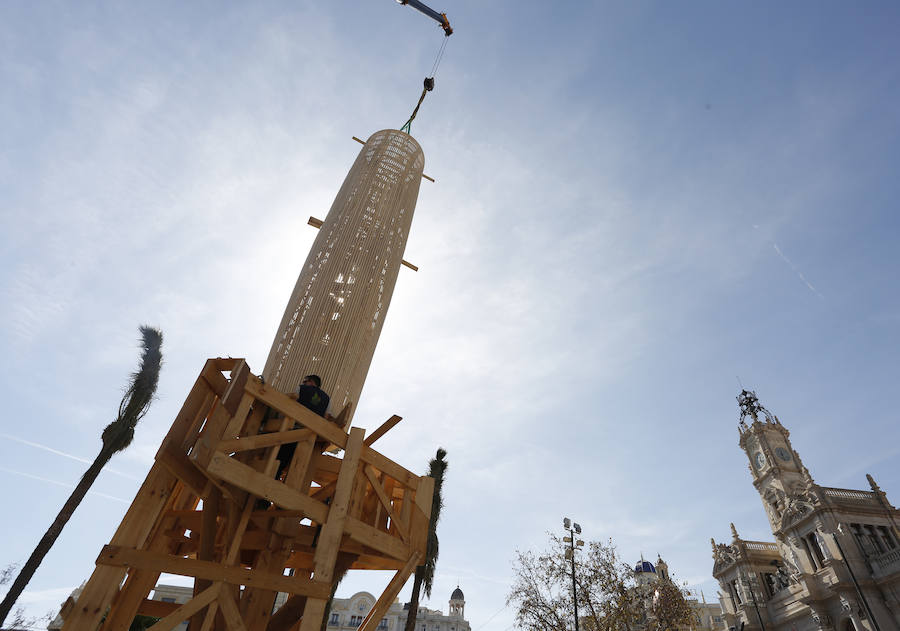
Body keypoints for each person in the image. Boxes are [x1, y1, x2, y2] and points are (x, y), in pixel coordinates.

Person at [273, 375, 330, 480]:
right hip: (309, 438)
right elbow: (325, 418)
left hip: (293, 431)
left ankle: (272, 481)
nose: (303, 383)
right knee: (296, 468)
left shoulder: (301, 389)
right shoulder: (327, 399)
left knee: (280, 460)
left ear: (312, 382)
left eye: (305, 381)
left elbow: (291, 404)